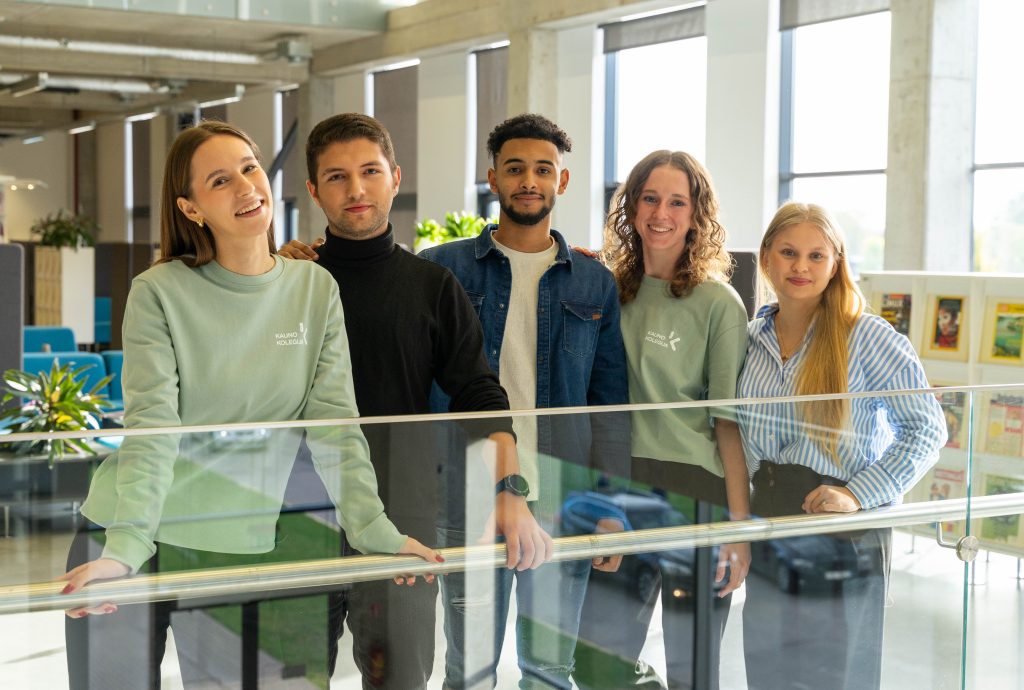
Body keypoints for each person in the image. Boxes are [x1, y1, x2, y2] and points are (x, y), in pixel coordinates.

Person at [60, 120, 439, 689]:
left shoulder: (315, 290)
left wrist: (375, 532)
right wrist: (126, 548)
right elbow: (152, 427)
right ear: (191, 208)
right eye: (220, 180)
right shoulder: (157, 292)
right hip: (125, 529)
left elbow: (336, 428)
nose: (246, 187)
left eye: (250, 167)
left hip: (234, 540)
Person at [277, 112, 551, 689]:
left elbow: (478, 391)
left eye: (370, 172)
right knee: (290, 679)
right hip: (295, 505)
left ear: (395, 178)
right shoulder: (286, 281)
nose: (356, 190)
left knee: (400, 676)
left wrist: (510, 490)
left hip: (399, 501)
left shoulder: (432, 286)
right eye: (336, 177)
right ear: (313, 190)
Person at [419, 113, 630, 690]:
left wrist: (611, 507)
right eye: (515, 169)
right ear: (494, 179)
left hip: (565, 497)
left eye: (544, 169)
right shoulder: (444, 269)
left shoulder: (594, 282)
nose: (529, 180)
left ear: (562, 182)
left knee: (550, 670)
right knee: (471, 667)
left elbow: (610, 406)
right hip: (469, 496)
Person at [736, 201, 945, 690]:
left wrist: (857, 493)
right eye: (788, 252)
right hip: (770, 523)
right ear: (766, 257)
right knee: (768, 674)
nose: (800, 267)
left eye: (816, 256)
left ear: (836, 264)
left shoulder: (867, 337)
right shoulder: (750, 338)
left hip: (842, 530)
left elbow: (927, 428)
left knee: (835, 678)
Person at [572, 150, 751, 690]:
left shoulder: (719, 303)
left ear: (698, 214)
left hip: (695, 494)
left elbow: (728, 424)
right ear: (630, 207)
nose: (661, 213)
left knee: (695, 669)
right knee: (597, 663)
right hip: (618, 491)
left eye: (678, 201)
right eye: (650, 198)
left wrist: (739, 532)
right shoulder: (605, 289)